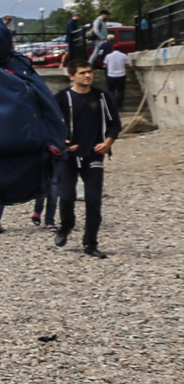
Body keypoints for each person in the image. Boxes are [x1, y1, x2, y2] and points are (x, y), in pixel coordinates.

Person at [53, 62, 119, 257]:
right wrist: (61, 142)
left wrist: (108, 142)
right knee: (65, 197)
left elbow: (115, 124)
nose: (88, 76)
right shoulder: (62, 97)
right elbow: (48, 123)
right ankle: (66, 225)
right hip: (68, 155)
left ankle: (90, 243)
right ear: (72, 76)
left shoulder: (101, 97)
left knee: (93, 201)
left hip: (93, 154)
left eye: (90, 72)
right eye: (83, 73)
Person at [103, 43, 129, 110]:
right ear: (120, 49)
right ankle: (119, 104)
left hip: (111, 75)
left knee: (111, 90)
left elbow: (105, 65)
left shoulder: (108, 56)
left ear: (113, 48)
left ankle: (113, 101)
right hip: (121, 75)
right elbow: (127, 65)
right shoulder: (124, 56)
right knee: (121, 90)